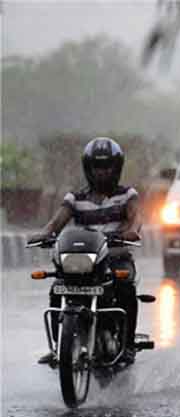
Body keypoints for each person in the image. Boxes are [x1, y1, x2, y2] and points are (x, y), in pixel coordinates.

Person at [30, 137, 142, 365]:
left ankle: (128, 345)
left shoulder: (127, 195)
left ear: (117, 168)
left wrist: (131, 231)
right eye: (96, 167)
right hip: (83, 260)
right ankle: (57, 348)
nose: (101, 172)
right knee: (56, 288)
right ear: (88, 168)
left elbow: (136, 218)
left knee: (126, 288)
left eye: (107, 166)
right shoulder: (75, 198)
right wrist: (45, 234)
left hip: (115, 259)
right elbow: (55, 223)